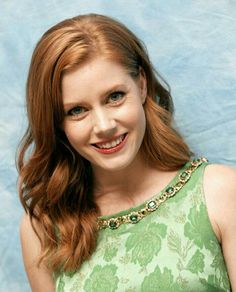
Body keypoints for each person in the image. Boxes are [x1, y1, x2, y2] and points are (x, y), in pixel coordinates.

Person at [18, 13, 236, 292]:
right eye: (77, 111)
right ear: (56, 123)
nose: (104, 126)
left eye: (115, 96)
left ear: (142, 85)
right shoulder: (42, 230)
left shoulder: (220, 192)